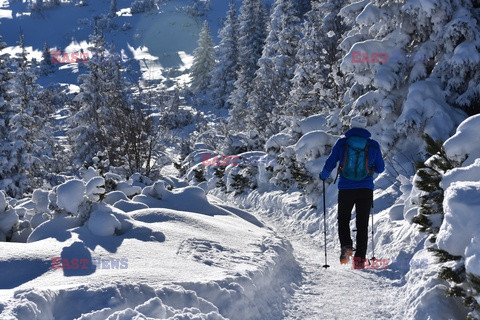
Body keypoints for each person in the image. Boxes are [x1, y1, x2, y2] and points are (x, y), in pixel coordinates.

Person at [320, 116, 384, 269]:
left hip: (346, 188)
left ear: (351, 126)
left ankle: (347, 246)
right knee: (362, 223)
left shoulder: (342, 143)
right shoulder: (373, 145)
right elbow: (381, 168)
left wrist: (324, 175)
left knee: (343, 219)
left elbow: (331, 162)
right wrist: (371, 170)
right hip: (366, 188)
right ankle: (359, 260)